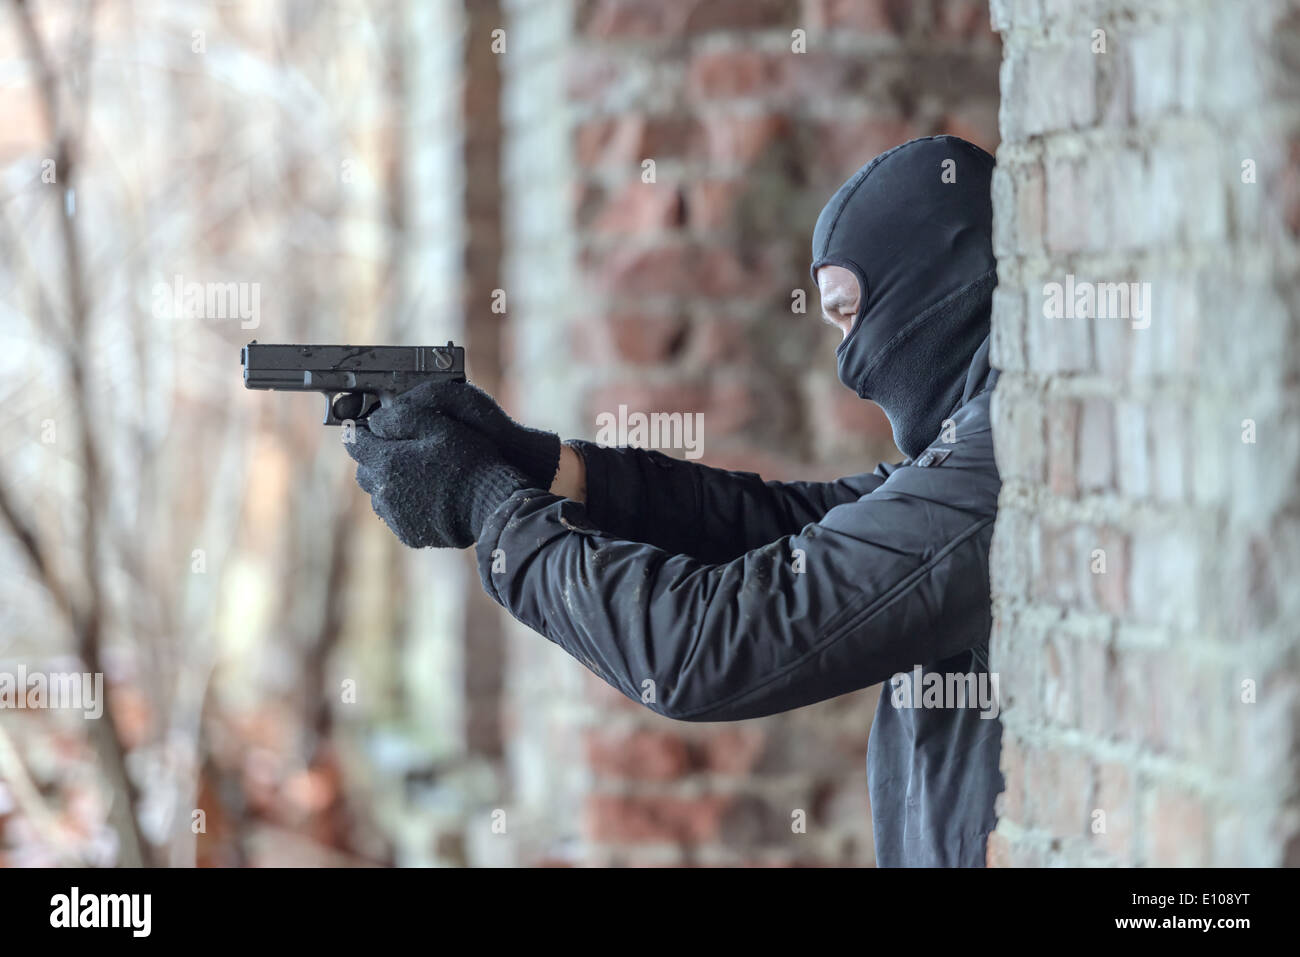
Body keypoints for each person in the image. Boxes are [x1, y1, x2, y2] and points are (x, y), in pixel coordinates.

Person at [347, 135, 1003, 867]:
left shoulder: (996, 463)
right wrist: (538, 466)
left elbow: (705, 646)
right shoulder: (967, 449)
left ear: (932, 279)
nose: (850, 363)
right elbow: (781, 526)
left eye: (852, 314)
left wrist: (488, 504)